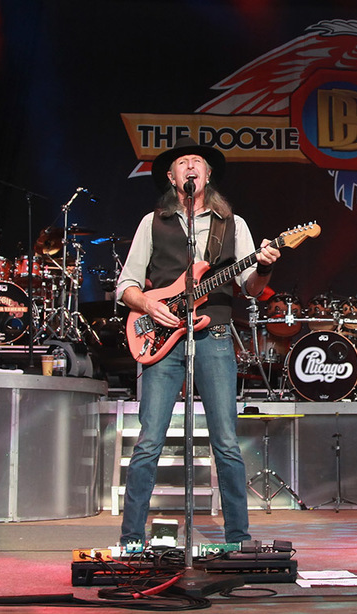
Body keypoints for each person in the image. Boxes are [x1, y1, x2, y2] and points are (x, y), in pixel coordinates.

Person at [115, 136, 281, 546]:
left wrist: (264, 267)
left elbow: (249, 287)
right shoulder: (152, 222)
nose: (191, 166)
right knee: (149, 440)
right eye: (182, 162)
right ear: (172, 177)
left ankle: (238, 538)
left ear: (207, 175)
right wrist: (148, 305)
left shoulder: (233, 224)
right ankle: (132, 537)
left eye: (198, 162)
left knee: (226, 441)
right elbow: (126, 286)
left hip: (215, 336)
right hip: (161, 339)